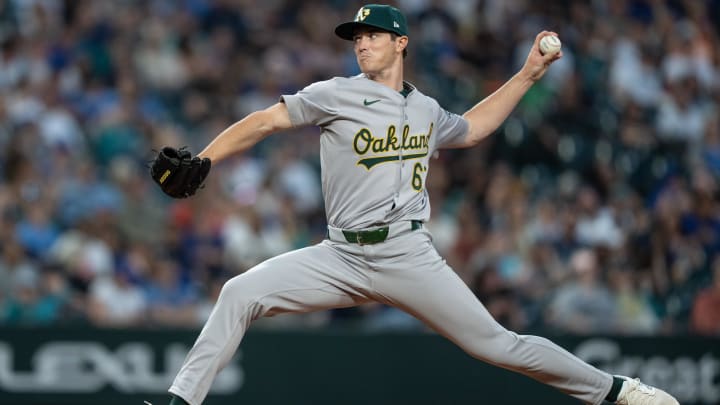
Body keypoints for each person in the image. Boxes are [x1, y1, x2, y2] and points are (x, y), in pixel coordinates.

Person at [162, 5, 679, 405]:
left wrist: (527, 75)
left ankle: (618, 392)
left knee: (498, 346)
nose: (361, 43)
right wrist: (205, 160)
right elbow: (265, 121)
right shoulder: (336, 93)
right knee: (238, 292)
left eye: (372, 35)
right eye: (356, 37)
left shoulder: (425, 108)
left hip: (408, 254)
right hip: (340, 256)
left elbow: (473, 128)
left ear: (400, 42)